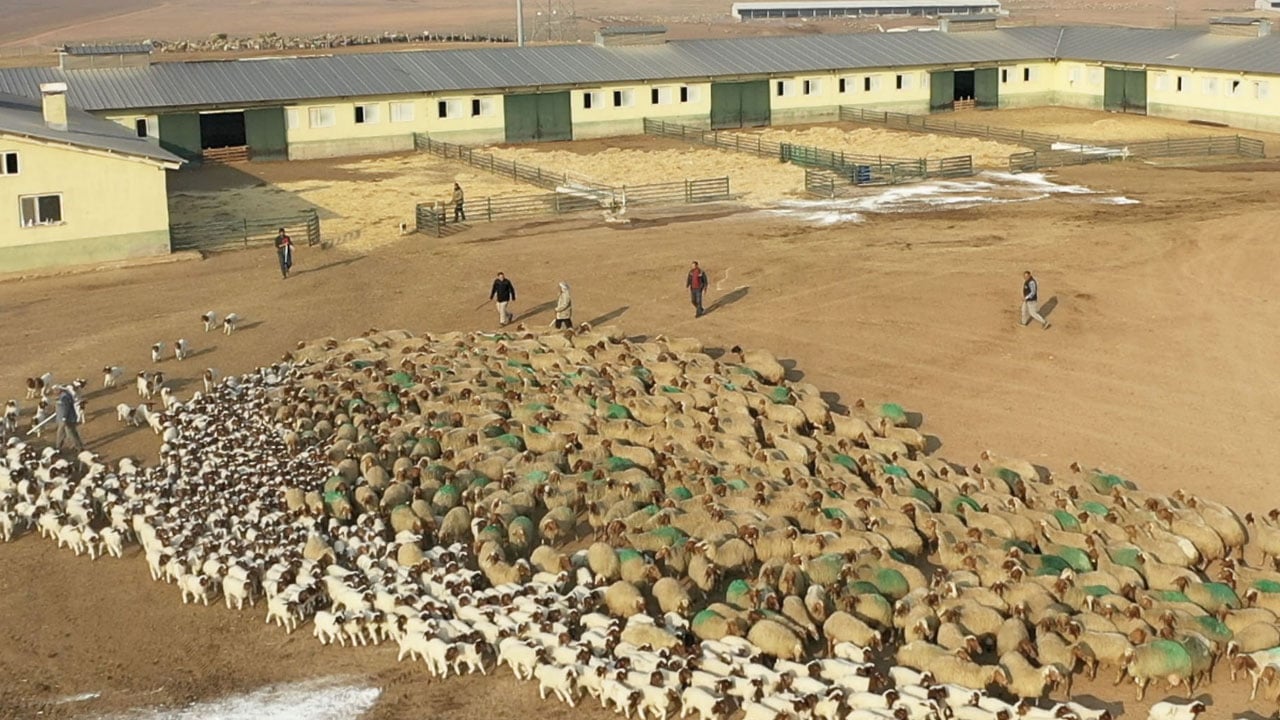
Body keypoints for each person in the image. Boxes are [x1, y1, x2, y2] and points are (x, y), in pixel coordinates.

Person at [54, 386, 84, 452]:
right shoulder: (61, 396)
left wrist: (64, 417)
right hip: (62, 419)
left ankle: (79, 447)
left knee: (71, 433)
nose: (54, 391)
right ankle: (58, 447)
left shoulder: (64, 397)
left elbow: (66, 408)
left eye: (56, 390)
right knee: (61, 433)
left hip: (67, 419)